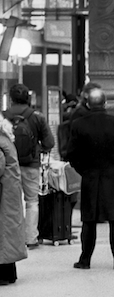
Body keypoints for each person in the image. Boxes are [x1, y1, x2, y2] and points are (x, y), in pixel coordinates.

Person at [68, 88, 114, 270]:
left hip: (90, 177)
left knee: (89, 221)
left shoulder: (78, 124)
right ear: (105, 103)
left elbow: (71, 154)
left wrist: (84, 170)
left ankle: (85, 259)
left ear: (88, 104)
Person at [3, 83, 55, 249]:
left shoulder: (3, 116)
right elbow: (49, 142)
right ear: (29, 98)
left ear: (10, 99)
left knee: (8, 203)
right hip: (31, 165)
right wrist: (38, 149)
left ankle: (10, 239)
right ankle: (31, 239)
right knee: (32, 201)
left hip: (6, 166)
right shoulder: (37, 117)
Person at [0, 116, 26, 285]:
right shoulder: (5, 140)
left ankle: (3, 275)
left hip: (3, 196)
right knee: (7, 234)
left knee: (3, 234)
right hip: (9, 194)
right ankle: (9, 274)